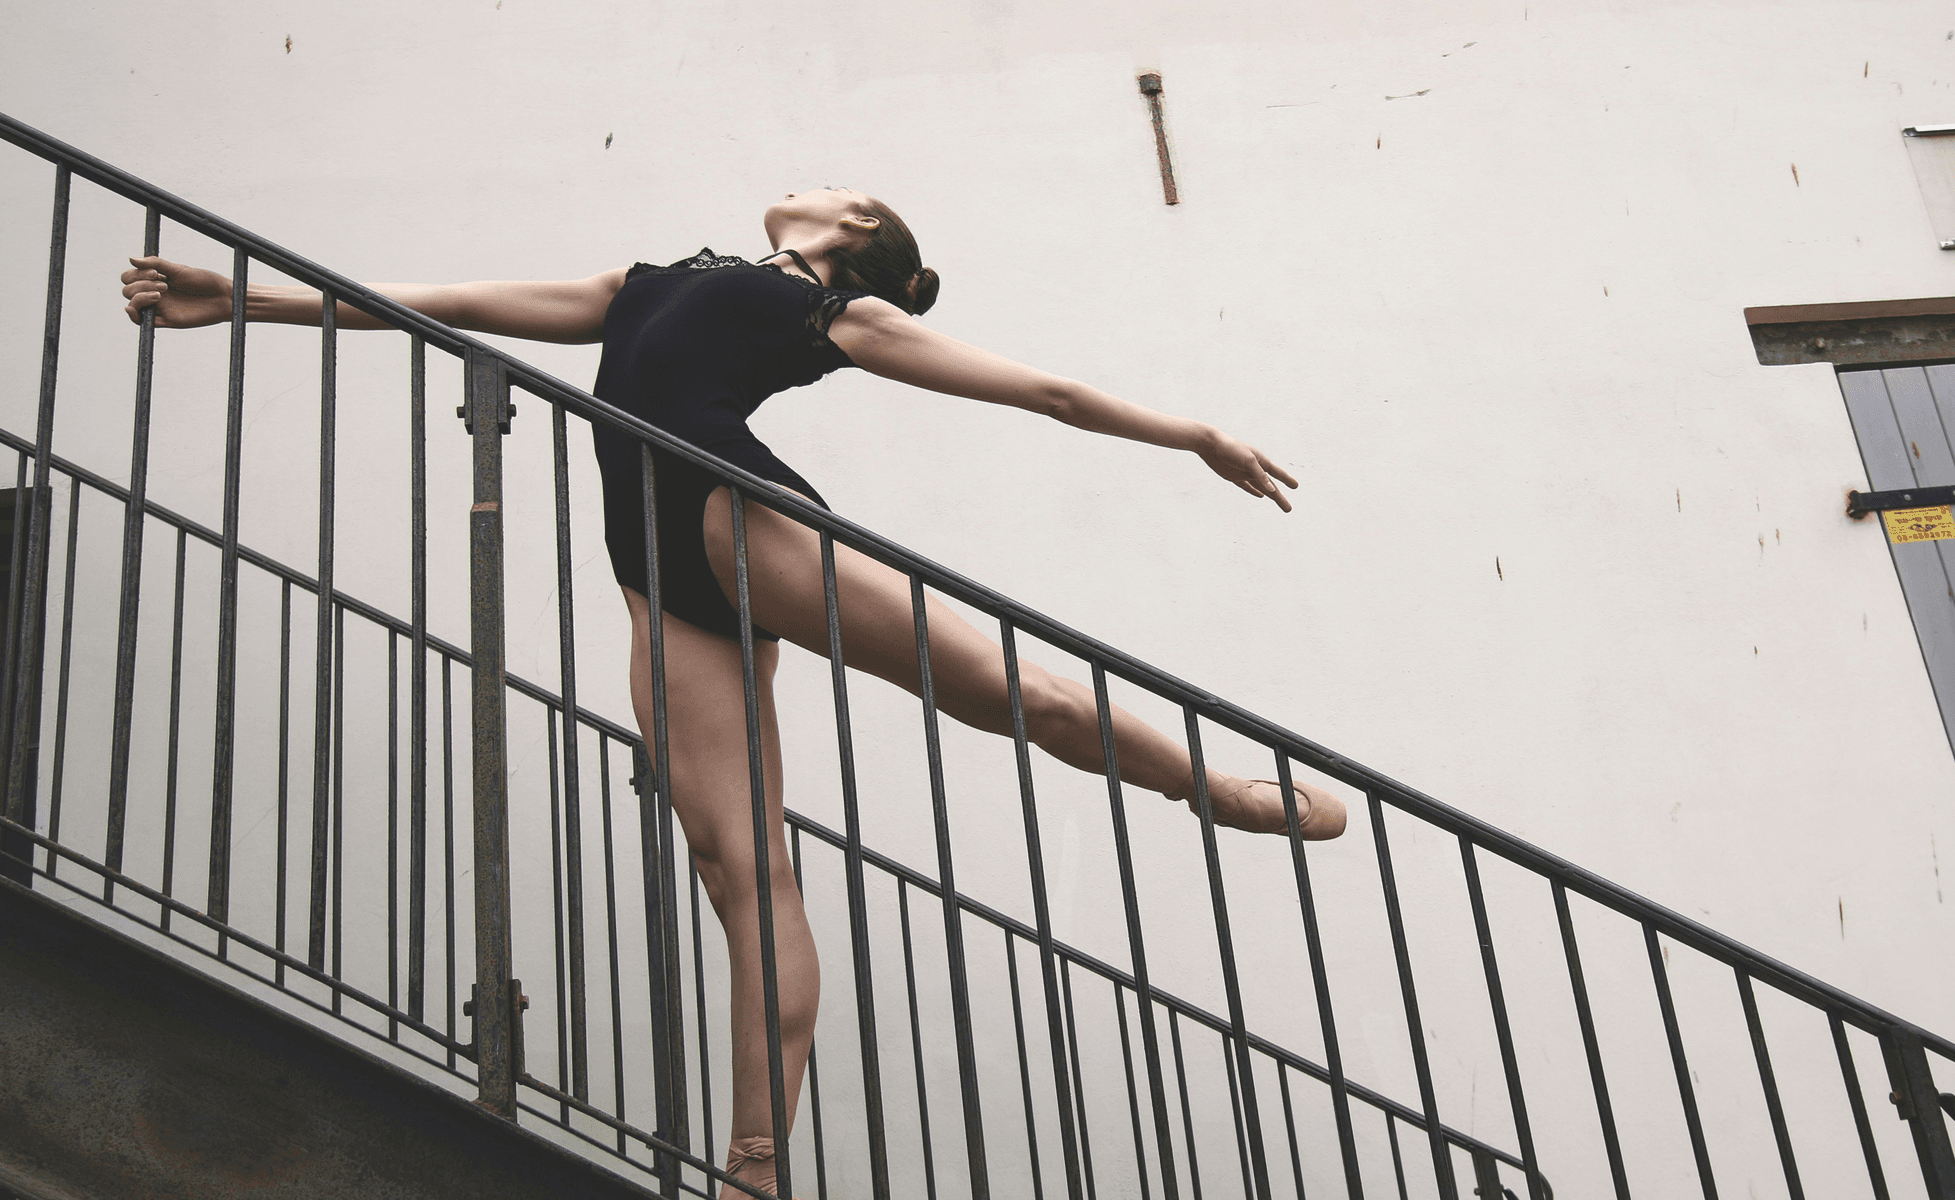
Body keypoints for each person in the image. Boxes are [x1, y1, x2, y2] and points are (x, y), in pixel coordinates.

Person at [120, 186, 1343, 1199]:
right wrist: (249, 303)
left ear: (853, 218)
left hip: (730, 508)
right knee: (737, 866)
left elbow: (1045, 392)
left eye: (821, 176)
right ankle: (756, 1166)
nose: (793, 175)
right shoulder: (652, 277)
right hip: (649, 561)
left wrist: (1193, 434)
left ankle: (1212, 788)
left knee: (1004, 690)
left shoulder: (828, 305)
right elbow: (444, 306)